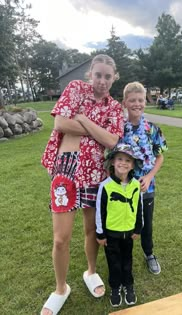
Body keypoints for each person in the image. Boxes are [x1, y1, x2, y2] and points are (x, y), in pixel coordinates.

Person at [40, 54, 124, 315]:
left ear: (114, 77)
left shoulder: (114, 107)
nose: (102, 80)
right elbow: (60, 122)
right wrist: (99, 130)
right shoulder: (75, 88)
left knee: (91, 231)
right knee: (60, 238)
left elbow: (112, 141)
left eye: (107, 76)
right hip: (66, 169)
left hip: (96, 174)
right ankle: (61, 288)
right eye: (98, 74)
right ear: (90, 73)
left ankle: (90, 272)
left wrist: (85, 120)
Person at [120, 82, 168, 275]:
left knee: (146, 223)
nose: (137, 104)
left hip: (146, 188)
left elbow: (160, 156)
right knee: (124, 221)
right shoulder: (119, 129)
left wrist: (149, 177)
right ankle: (125, 255)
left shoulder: (152, 129)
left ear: (145, 102)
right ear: (125, 103)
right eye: (132, 100)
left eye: (140, 100)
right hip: (124, 187)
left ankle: (149, 254)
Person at [96, 143, 143, 307]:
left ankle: (128, 285)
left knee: (127, 260)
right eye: (120, 159)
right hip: (111, 235)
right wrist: (100, 234)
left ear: (132, 165)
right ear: (113, 162)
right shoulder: (105, 186)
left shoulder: (136, 185)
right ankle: (115, 287)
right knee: (114, 262)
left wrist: (138, 228)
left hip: (129, 233)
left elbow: (138, 207)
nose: (123, 163)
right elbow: (100, 212)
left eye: (128, 160)